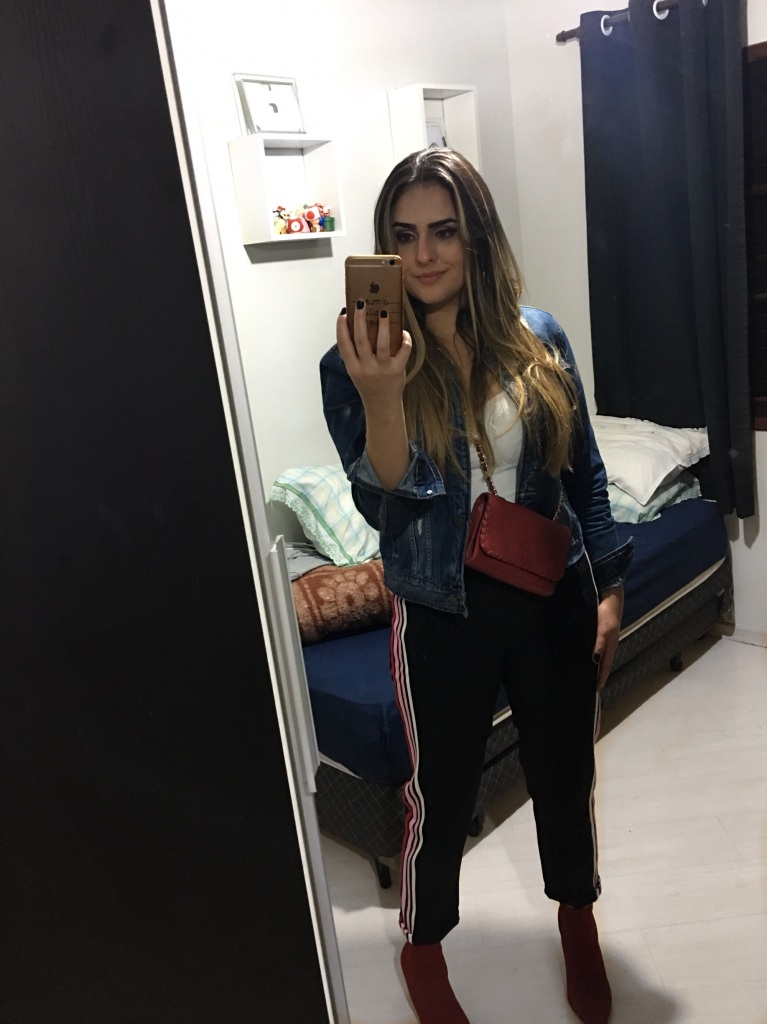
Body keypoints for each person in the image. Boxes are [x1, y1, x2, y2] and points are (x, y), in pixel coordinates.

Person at [320, 147, 632, 1024]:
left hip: (550, 593)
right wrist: (384, 395)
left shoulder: (539, 337)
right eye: (403, 235)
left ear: (477, 237)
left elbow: (584, 473)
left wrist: (609, 589)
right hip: (440, 606)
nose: (423, 255)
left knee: (564, 769)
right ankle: (423, 949)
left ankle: (576, 916)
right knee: (442, 791)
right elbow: (383, 505)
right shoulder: (353, 362)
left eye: (444, 232)